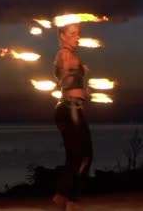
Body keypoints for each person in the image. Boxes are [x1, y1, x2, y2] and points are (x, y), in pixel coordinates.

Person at [52, 23, 93, 211]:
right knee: (83, 156)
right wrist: (75, 70)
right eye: (73, 34)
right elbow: (66, 77)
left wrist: (84, 85)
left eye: (79, 34)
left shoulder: (68, 56)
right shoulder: (64, 54)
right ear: (62, 35)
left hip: (70, 107)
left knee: (75, 156)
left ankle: (62, 197)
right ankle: (71, 200)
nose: (77, 37)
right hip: (70, 108)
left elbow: (71, 84)